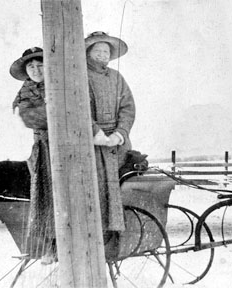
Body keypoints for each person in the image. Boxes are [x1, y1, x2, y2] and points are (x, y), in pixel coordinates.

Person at [85, 31, 136, 233]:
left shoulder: (116, 77)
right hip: (92, 144)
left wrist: (119, 133)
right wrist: (96, 133)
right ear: (88, 52)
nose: (102, 54)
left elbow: (128, 107)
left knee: (119, 187)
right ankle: (96, 233)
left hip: (116, 145)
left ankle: (114, 233)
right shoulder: (78, 75)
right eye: (97, 50)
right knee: (96, 189)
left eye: (106, 51)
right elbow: (78, 108)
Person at [10, 47, 55, 260]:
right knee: (45, 193)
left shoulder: (60, 84)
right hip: (45, 147)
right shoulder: (25, 91)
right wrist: (53, 111)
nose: (36, 70)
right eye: (31, 66)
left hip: (73, 142)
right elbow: (26, 116)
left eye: (40, 65)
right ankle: (50, 244)